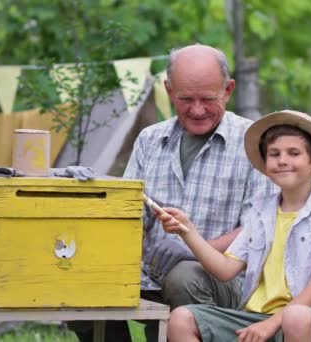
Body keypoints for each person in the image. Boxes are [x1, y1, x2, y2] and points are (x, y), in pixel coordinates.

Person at [116, 44, 275, 341]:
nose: (197, 109)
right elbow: (128, 213)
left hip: (227, 281)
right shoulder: (149, 140)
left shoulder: (255, 143)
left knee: (184, 275)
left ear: (228, 90)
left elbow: (260, 227)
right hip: (149, 272)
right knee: (81, 276)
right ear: (169, 90)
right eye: (186, 99)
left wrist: (195, 248)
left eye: (208, 99)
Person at [155, 110, 311, 342]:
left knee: (295, 317)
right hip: (256, 319)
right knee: (181, 319)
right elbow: (226, 268)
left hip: (308, 322)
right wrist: (186, 230)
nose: (282, 160)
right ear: (265, 163)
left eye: (294, 153)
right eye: (274, 153)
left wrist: (273, 323)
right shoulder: (260, 212)